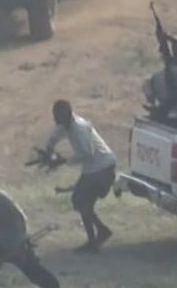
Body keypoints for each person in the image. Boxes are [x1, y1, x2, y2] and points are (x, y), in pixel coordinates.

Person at [44, 99, 116, 253]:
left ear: (67, 114)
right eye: (54, 115)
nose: (55, 119)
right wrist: (48, 149)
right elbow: (55, 135)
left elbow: (87, 152)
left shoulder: (80, 128)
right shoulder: (65, 125)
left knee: (80, 200)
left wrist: (64, 160)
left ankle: (98, 235)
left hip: (102, 168)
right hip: (95, 168)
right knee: (82, 202)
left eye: (58, 115)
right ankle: (97, 236)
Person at [0, 169, 60, 288]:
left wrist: (18, 249)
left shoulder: (0, 199)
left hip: (17, 242)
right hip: (4, 240)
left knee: (34, 272)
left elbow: (20, 219)